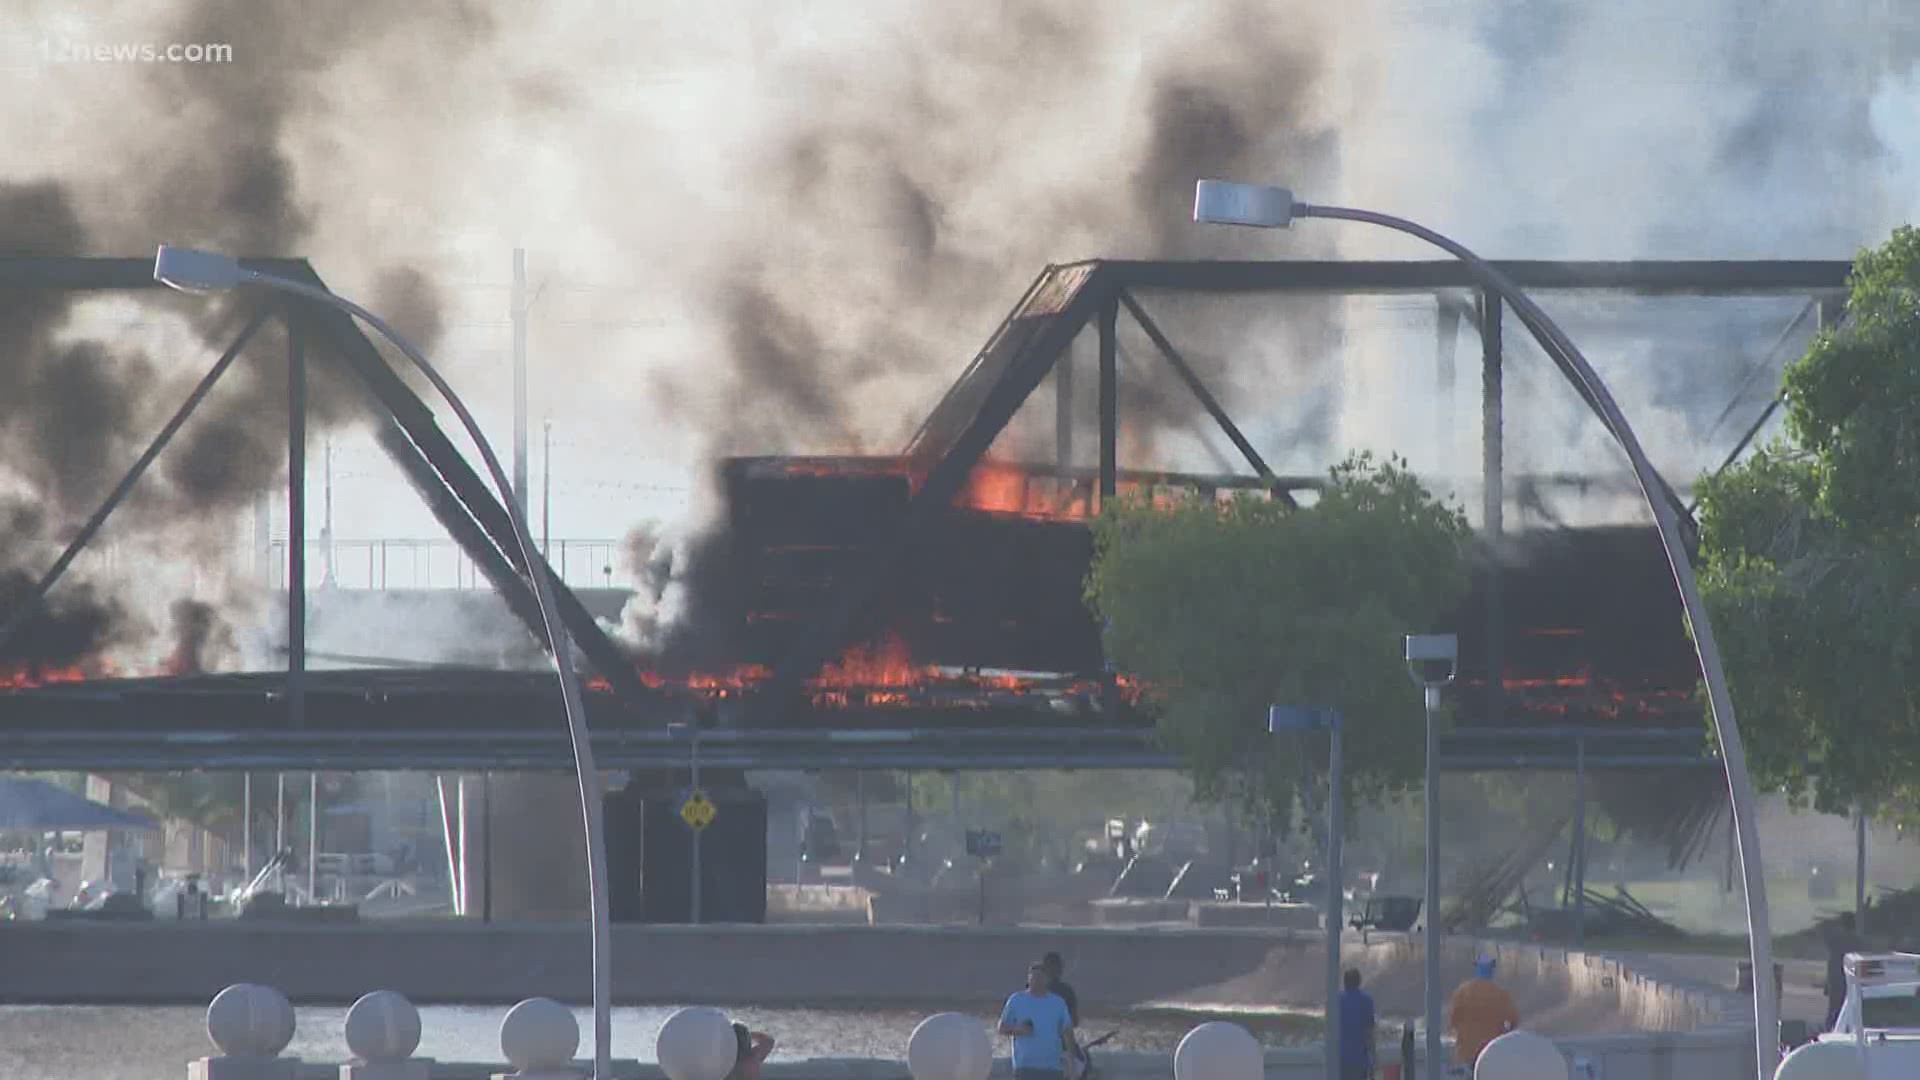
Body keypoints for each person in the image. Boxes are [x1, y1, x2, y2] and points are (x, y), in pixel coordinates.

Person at [1000, 960, 1074, 1080]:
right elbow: (1002, 1027)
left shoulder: (1057, 1003)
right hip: (1025, 1067)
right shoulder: (1016, 1000)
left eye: (1040, 977)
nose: (1036, 980)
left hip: (1052, 1068)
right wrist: (1018, 1029)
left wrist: (1071, 1064)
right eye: (1033, 977)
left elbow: (1067, 1033)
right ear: (1028, 979)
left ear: (1047, 979)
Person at [1446, 956, 1518, 1068]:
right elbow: (1513, 1022)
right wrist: (1502, 1034)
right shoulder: (1501, 995)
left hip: (1466, 1050)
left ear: (1477, 969)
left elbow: (1453, 1019)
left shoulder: (1463, 992)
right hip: (1490, 1051)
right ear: (1492, 971)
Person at [1824, 912, 1864, 1030]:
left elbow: (1832, 964)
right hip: (1852, 982)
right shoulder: (1858, 942)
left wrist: (1828, 984)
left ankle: (1830, 1030)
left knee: (1834, 1010)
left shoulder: (1837, 942)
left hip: (1837, 982)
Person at [1338, 968, 1376, 1080]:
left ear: (1344, 983)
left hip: (1340, 1058)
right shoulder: (1366, 1000)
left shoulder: (1336, 1000)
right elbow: (1369, 1031)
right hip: (1359, 1060)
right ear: (1359, 982)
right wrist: (1373, 1056)